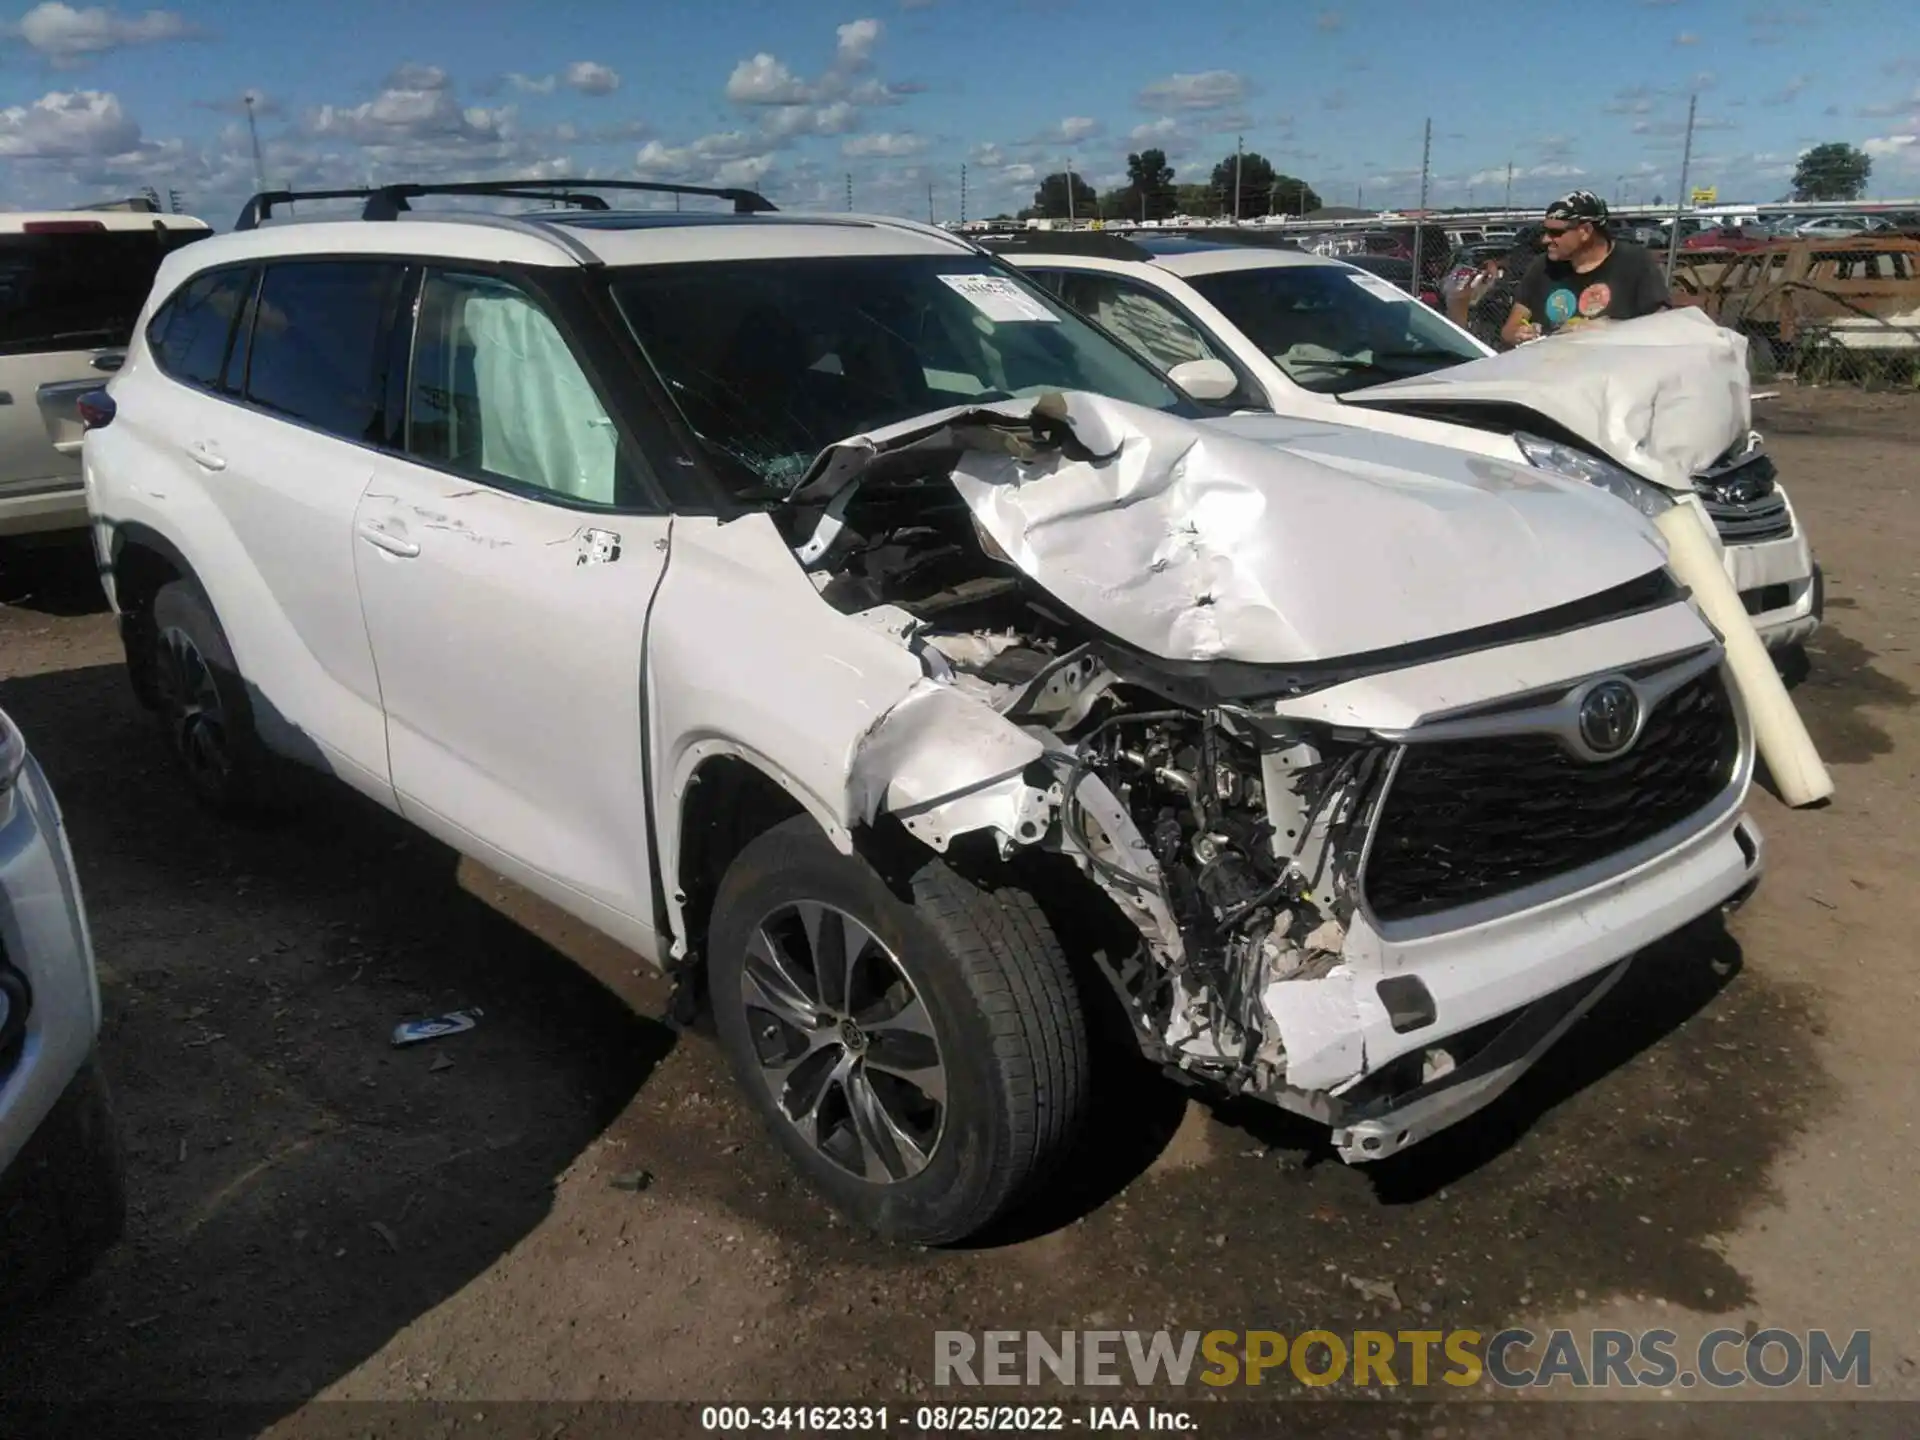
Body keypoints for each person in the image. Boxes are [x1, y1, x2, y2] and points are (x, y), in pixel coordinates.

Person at [1500, 191, 1671, 346]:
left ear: (1586, 231)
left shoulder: (1634, 263)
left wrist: (1607, 329)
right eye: (1545, 231)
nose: (1545, 239)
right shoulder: (1542, 267)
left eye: (1555, 233)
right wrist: (1518, 333)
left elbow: (1662, 326)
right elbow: (1509, 329)